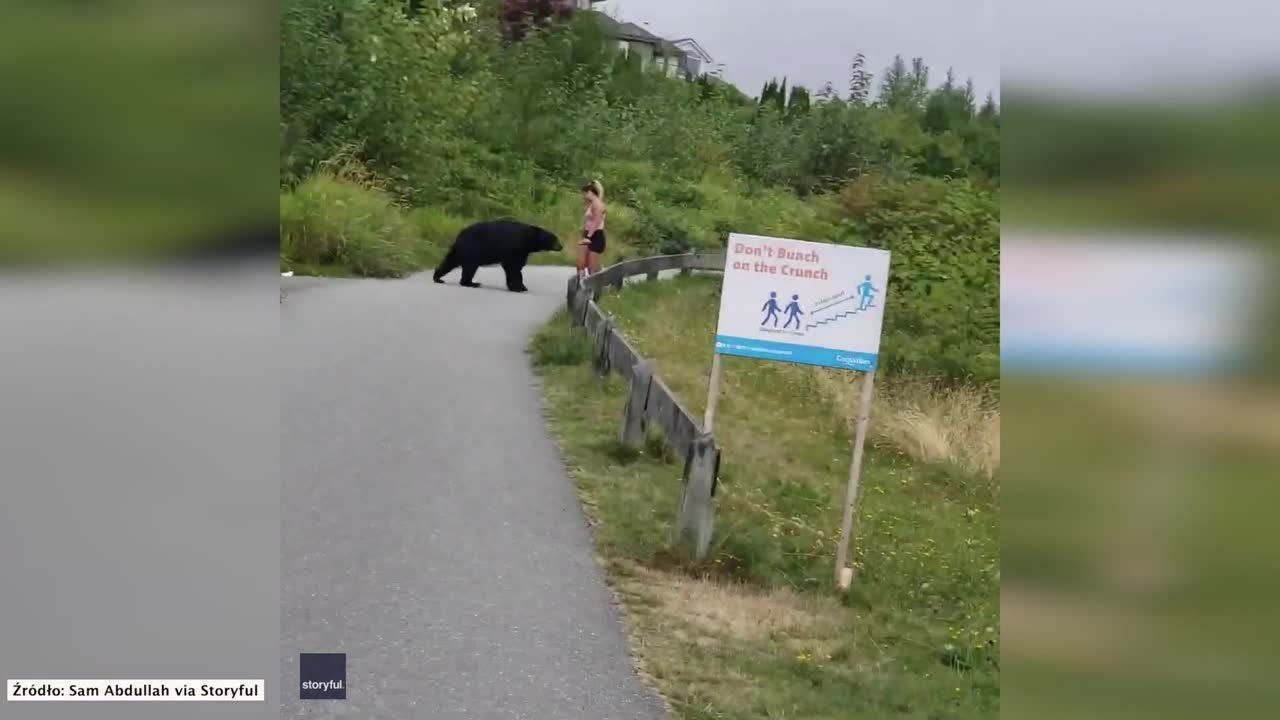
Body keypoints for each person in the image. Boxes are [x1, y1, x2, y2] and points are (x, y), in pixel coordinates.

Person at [578, 180, 607, 278]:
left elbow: (597, 221)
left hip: (595, 235)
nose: (584, 196)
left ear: (590, 192)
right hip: (587, 234)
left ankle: (599, 283)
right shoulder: (592, 204)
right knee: (581, 263)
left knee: (592, 267)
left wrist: (589, 236)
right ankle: (579, 284)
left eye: (585, 193)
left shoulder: (597, 204)